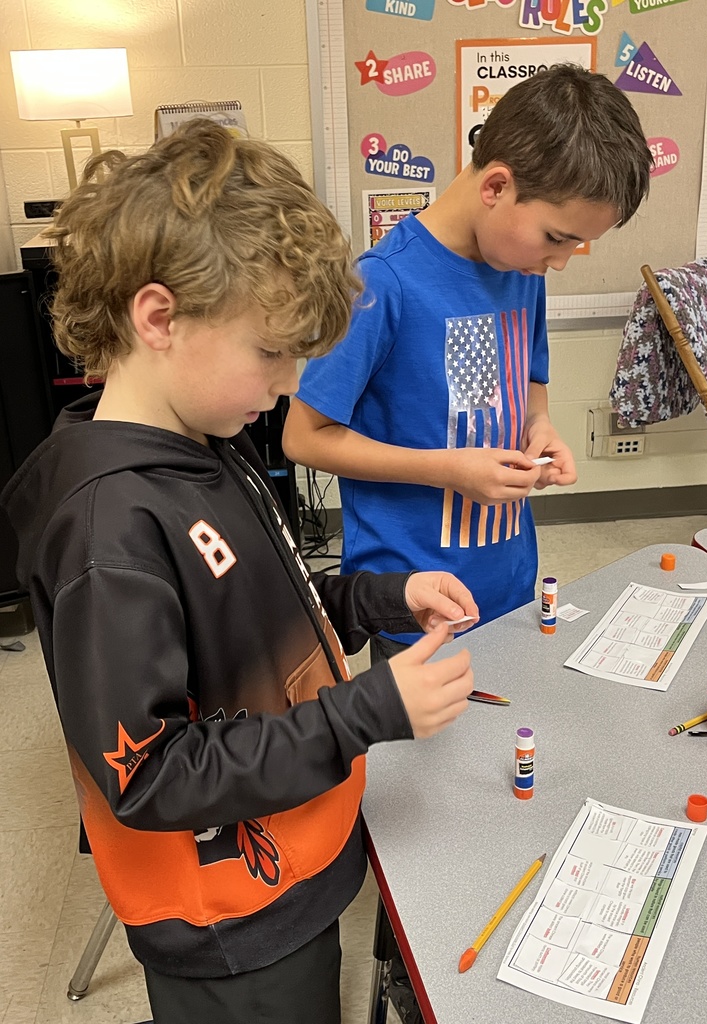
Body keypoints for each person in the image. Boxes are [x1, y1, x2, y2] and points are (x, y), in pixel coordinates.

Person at [0, 121, 480, 1024]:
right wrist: (369, 710)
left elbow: (265, 606)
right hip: (227, 921)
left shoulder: (208, 444)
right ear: (158, 318)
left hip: (292, 850)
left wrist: (380, 597)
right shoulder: (110, 533)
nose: (291, 384)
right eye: (271, 353)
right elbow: (150, 776)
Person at [283, 64, 654, 664]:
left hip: (508, 579)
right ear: (496, 186)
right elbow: (304, 437)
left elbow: (532, 378)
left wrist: (541, 427)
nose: (560, 263)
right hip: (418, 601)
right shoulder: (382, 283)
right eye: (556, 238)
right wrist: (447, 469)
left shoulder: (519, 267)